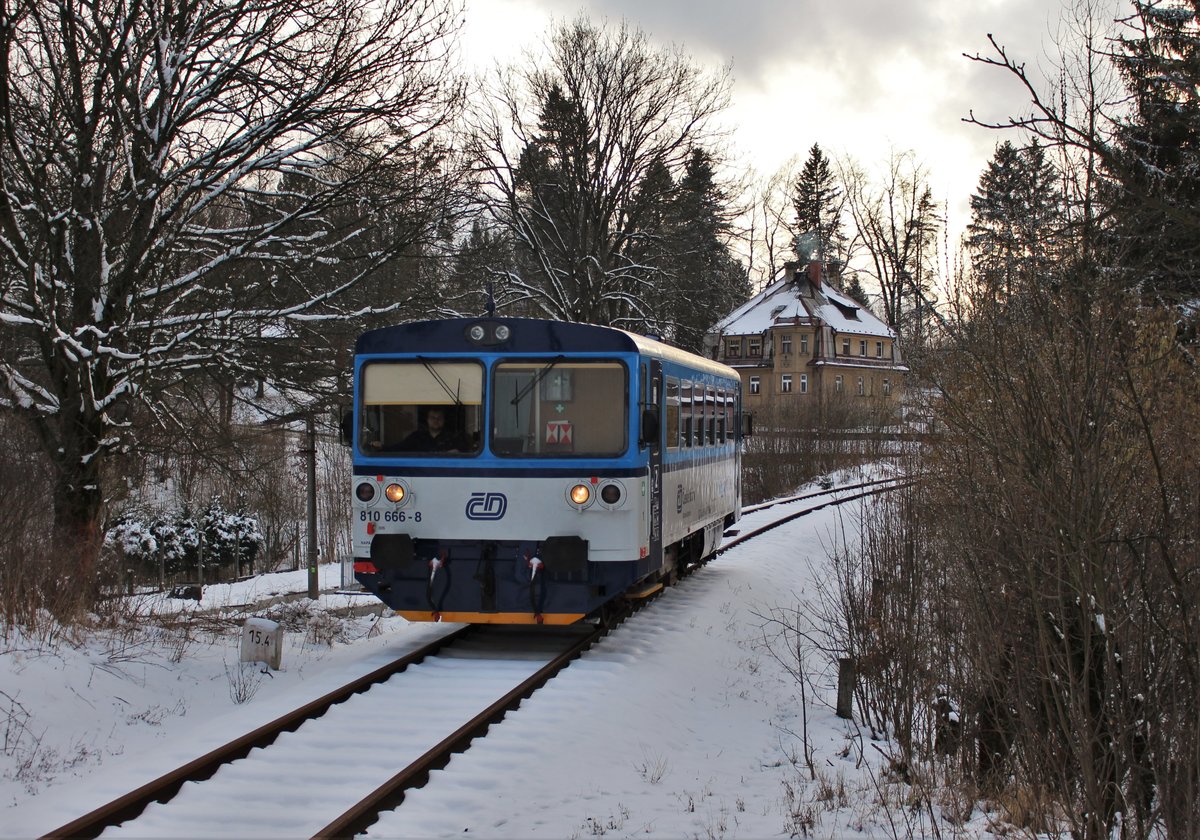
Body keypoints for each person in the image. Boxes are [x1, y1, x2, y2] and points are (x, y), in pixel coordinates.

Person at [402, 406, 469, 452]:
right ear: (427, 420)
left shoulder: (454, 438)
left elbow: (466, 452)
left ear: (444, 420)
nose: (436, 420)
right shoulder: (416, 437)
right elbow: (399, 450)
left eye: (439, 417)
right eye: (432, 417)